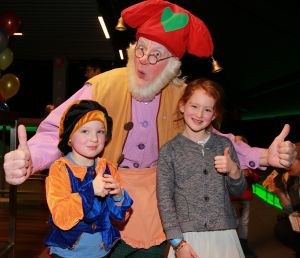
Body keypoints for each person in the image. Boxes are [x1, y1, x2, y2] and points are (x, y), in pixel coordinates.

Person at [3, 1, 296, 257]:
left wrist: (263, 156)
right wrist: (31, 159)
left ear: (172, 65)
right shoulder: (103, 86)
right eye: (141, 49)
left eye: (156, 55)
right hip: (104, 195)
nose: (144, 60)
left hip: (157, 204)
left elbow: (215, 139)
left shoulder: (181, 97)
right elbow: (59, 130)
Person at [157, 78, 247, 258]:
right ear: (182, 106)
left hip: (224, 236)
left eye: (207, 109)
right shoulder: (169, 150)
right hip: (187, 240)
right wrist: (177, 243)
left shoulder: (224, 144)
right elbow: (165, 200)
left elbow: (238, 190)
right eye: (194, 106)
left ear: (214, 115)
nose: (199, 114)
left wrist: (234, 171)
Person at [44, 99, 133, 258]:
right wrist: (90, 191)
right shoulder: (60, 169)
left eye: (100, 131)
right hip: (67, 253)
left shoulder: (107, 167)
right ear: (69, 137)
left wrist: (119, 195)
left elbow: (121, 217)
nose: (94, 138)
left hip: (102, 252)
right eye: (85, 131)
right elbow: (61, 217)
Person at [266, 143, 300, 258]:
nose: (286, 166)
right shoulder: (288, 179)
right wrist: (278, 192)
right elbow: (291, 211)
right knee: (281, 228)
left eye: (290, 161)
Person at [231, 135, 260, 258]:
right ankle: (232, 246)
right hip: (231, 198)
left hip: (245, 198)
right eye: (234, 142)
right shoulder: (229, 159)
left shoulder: (249, 162)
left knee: (244, 222)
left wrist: (249, 174)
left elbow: (256, 178)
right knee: (233, 222)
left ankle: (243, 244)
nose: (236, 145)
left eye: (239, 142)